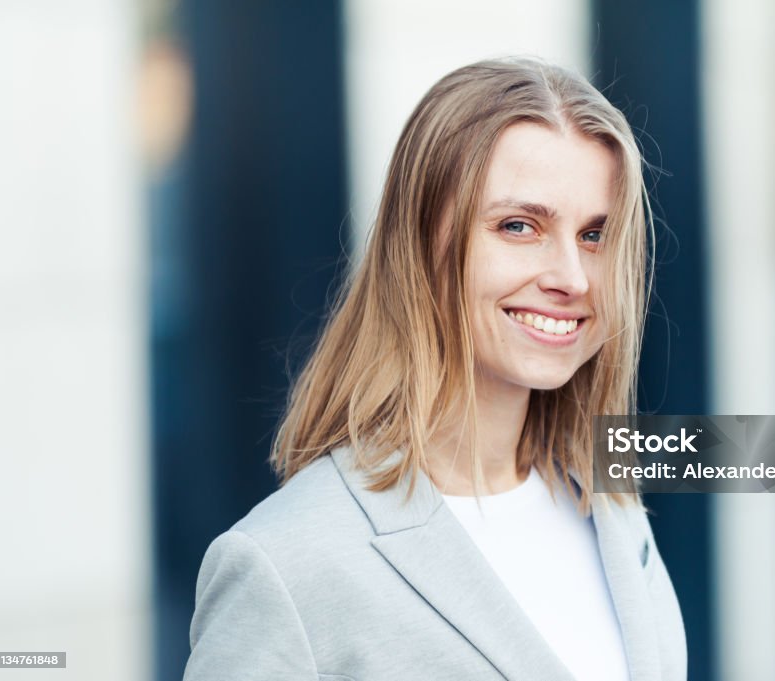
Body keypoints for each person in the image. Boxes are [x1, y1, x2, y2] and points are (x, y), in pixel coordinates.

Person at [184, 58, 686, 681]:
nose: (572, 278)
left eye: (594, 235)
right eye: (519, 226)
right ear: (420, 245)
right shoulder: (286, 566)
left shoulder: (609, 508)